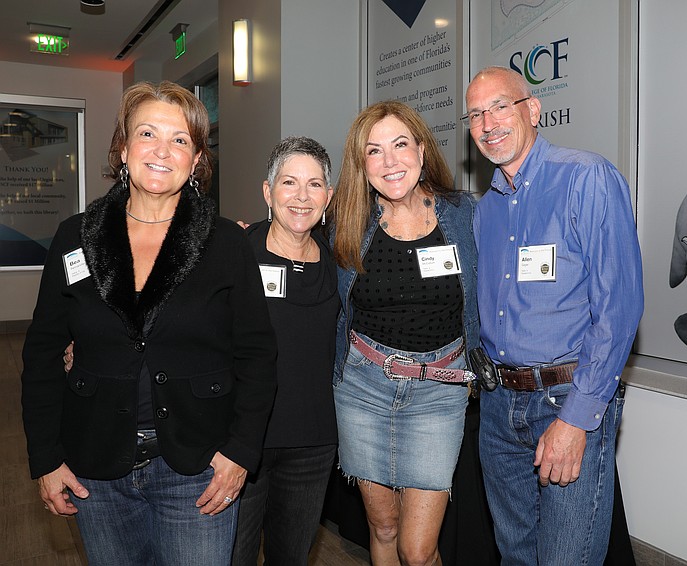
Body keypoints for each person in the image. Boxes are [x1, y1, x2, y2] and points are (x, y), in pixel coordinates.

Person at [20, 81, 277, 566]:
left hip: (199, 467)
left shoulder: (225, 243)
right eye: (147, 134)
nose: (162, 151)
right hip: (97, 466)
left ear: (198, 158)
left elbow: (258, 355)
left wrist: (241, 452)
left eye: (180, 139)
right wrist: (46, 458)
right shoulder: (75, 236)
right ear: (123, 149)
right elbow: (41, 353)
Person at [464, 66, 643, 565]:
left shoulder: (587, 178)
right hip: (500, 409)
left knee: (568, 557)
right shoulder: (486, 211)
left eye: (500, 106)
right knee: (516, 554)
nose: (488, 123)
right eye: (476, 114)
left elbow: (619, 307)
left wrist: (577, 420)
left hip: (565, 401)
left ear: (532, 110)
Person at [330, 100, 479, 566]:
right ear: (363, 164)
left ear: (420, 148)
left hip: (440, 390)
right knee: (384, 526)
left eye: (399, 145)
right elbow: (289, 234)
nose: (390, 161)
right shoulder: (348, 221)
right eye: (374, 151)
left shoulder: (465, 215)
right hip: (362, 388)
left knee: (417, 551)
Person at [231, 137, 339, 565]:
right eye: (289, 182)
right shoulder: (235, 252)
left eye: (314, 185)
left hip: (312, 445)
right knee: (231, 557)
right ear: (267, 191)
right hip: (243, 443)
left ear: (328, 197)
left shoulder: (341, 259)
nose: (301, 196)